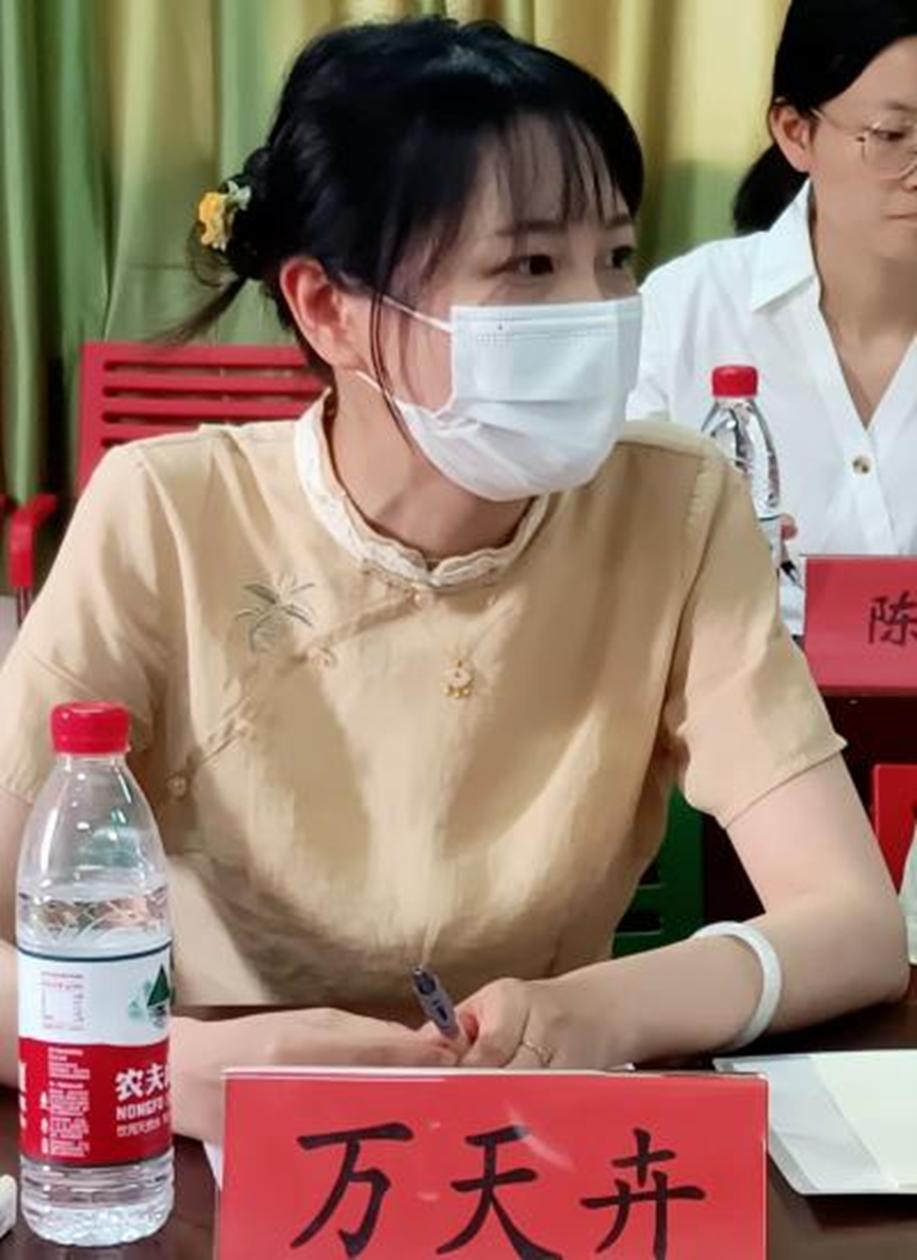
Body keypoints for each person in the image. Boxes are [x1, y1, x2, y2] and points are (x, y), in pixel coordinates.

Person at [0, 17, 907, 1144]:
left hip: (535, 1138)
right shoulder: (168, 514)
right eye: (529, 266)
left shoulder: (673, 507)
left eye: (614, 258)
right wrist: (162, 1058)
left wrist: (604, 1008)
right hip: (221, 1145)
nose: (593, 311)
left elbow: (855, 927)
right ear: (329, 307)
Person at [627, 0, 917, 633]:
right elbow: (606, 547)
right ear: (795, 132)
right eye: (893, 136)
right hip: (730, 683)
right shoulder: (686, 310)